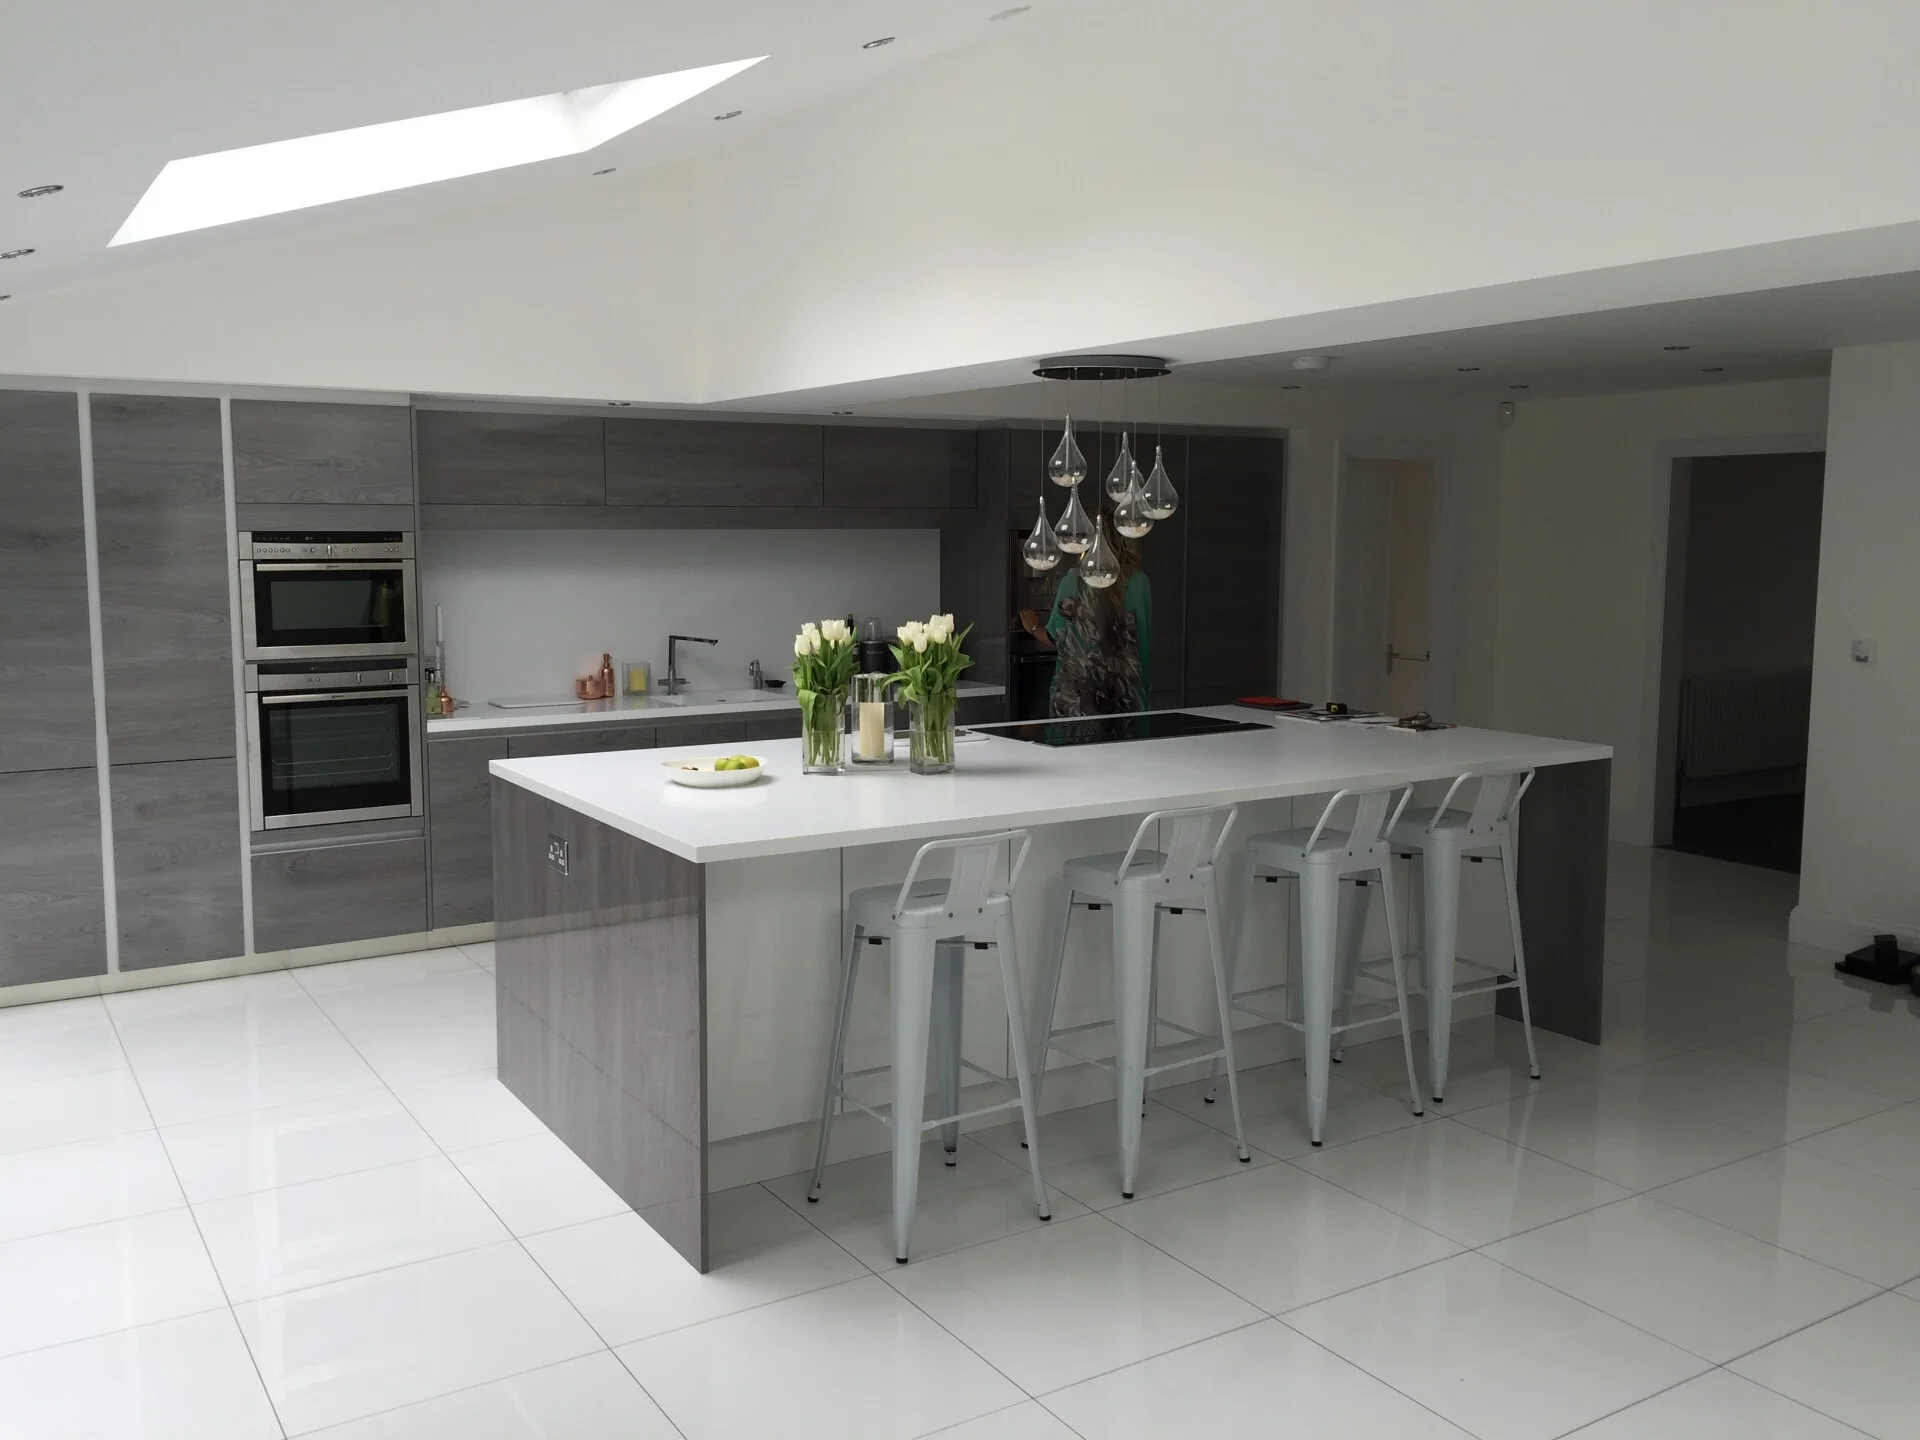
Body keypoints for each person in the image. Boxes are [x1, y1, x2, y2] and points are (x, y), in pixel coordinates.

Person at [1019, 535, 1151, 716]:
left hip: (1077, 697)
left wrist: (1033, 628)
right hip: (1127, 694)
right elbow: (1143, 641)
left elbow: (1055, 638)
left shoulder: (1074, 580)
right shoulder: (1140, 582)